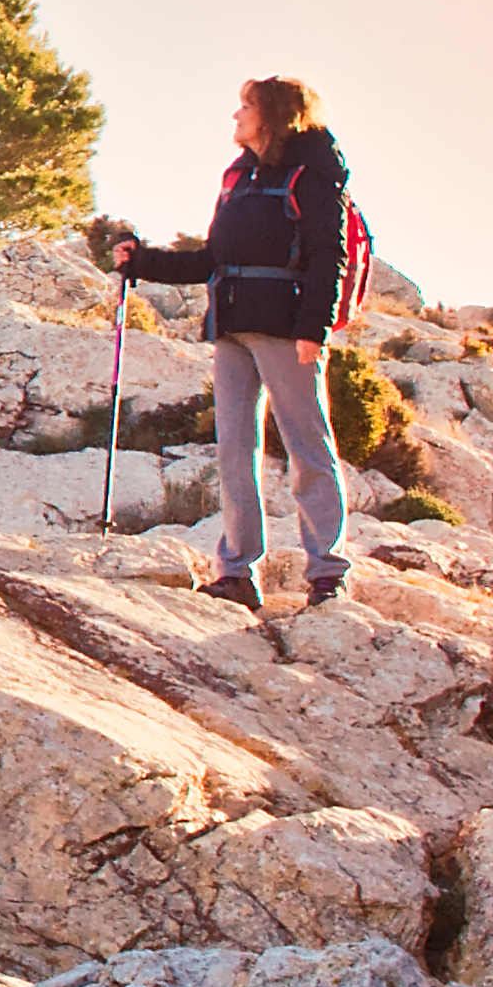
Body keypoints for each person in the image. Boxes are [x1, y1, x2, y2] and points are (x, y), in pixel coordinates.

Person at [102, 77, 355, 612]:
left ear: (275, 115)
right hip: (232, 327)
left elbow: (328, 255)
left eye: (246, 106)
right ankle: (237, 573)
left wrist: (314, 329)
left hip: (287, 328)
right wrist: (143, 261)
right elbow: (211, 259)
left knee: (308, 452)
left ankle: (328, 574)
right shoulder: (238, 178)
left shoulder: (313, 173)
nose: (236, 115)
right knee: (235, 452)